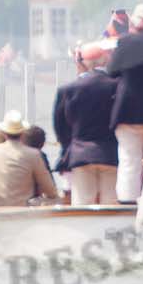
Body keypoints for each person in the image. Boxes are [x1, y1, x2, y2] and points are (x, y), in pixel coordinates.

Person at [105, 3, 143, 202]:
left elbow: (111, 71)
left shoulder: (125, 42)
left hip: (127, 110)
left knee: (129, 160)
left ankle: (127, 201)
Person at [52, 50, 119, 206]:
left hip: (80, 152)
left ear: (82, 63)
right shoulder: (117, 85)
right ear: (105, 61)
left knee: (82, 203)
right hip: (110, 152)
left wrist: (70, 145)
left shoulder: (67, 89)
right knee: (111, 202)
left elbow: (60, 125)